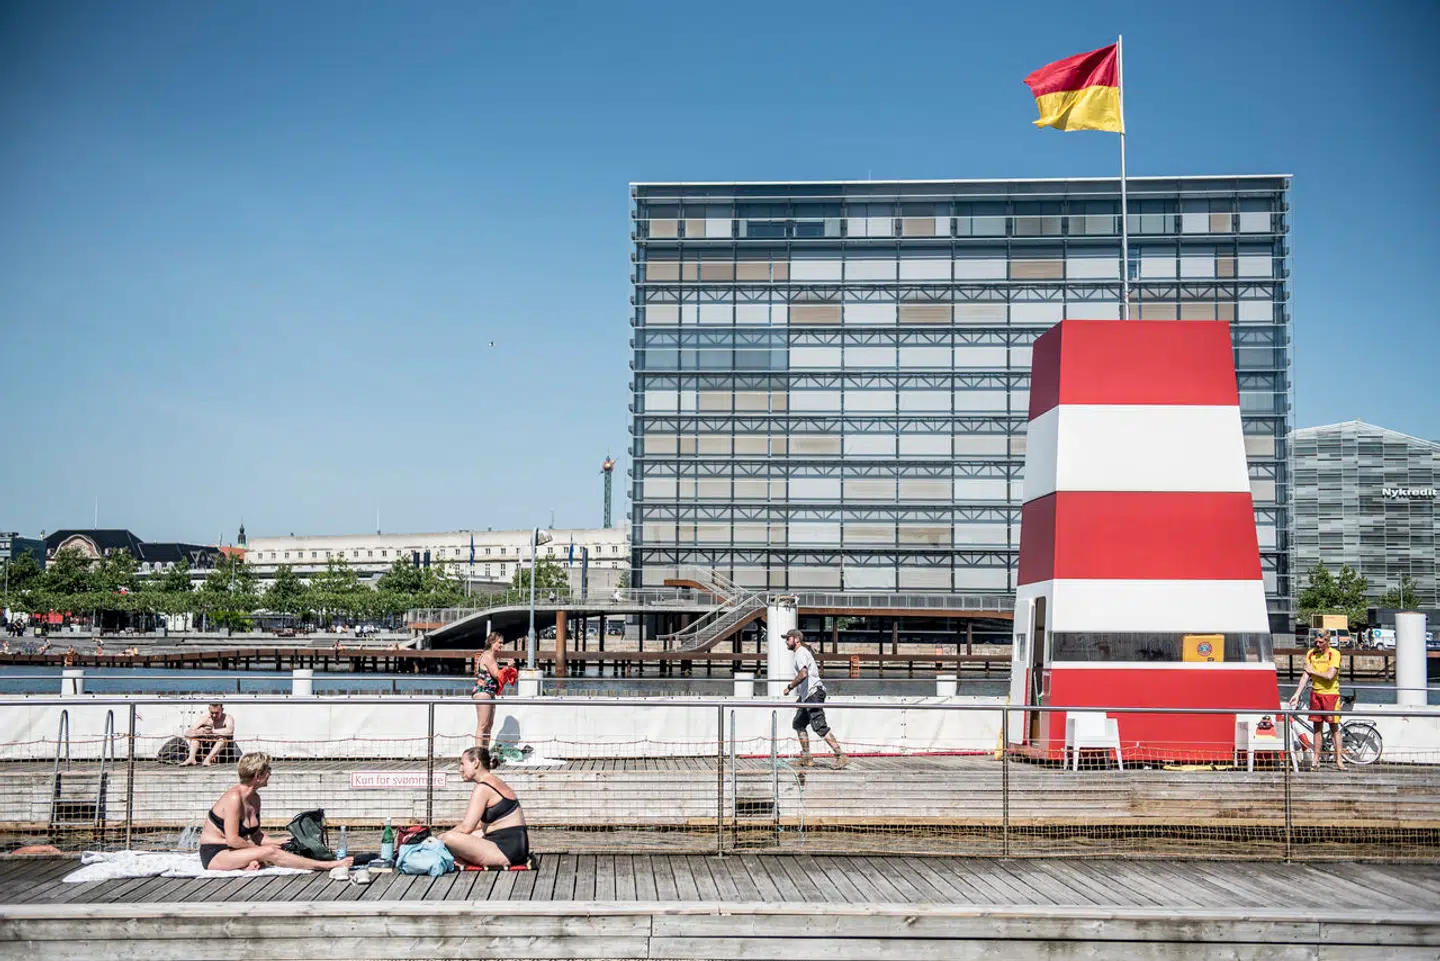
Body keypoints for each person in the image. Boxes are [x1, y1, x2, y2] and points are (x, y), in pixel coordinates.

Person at [197, 752, 352, 871]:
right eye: (268, 770)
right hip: (215, 853)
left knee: (281, 848)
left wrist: (280, 841)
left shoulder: (255, 798)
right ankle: (329, 865)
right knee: (270, 853)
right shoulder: (233, 798)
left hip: (234, 851)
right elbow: (233, 840)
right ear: (258, 776)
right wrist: (264, 850)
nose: (270, 774)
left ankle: (249, 863)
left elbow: (257, 835)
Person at [439, 746, 530, 868]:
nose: (460, 769)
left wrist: (439, 839)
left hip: (506, 851)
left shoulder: (483, 787)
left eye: (463, 764)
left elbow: (466, 827)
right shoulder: (494, 781)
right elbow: (479, 825)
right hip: (517, 848)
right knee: (462, 836)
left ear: (476, 762)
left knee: (448, 838)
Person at [782, 628, 849, 769]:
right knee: (799, 724)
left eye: (788, 638)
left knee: (819, 726)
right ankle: (807, 758)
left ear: (796, 639)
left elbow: (803, 674)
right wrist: (801, 698)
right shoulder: (801, 653)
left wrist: (790, 687)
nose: (786, 641)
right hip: (808, 695)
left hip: (814, 694)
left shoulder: (800, 653)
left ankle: (840, 756)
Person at [1288, 630, 1344, 770]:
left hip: (1331, 694)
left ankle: (1339, 760)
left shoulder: (1334, 654)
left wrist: (1313, 671)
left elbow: (1330, 675)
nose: (1318, 645)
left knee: (1334, 728)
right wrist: (1297, 693)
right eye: (1316, 642)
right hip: (1316, 694)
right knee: (1316, 727)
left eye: (1321, 642)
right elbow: (1305, 676)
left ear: (1327, 641)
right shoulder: (1311, 653)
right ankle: (1315, 759)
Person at [472, 632, 512, 750]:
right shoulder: (488, 656)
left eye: (502, 643)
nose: (501, 645)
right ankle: (479, 754)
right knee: (483, 724)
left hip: (489, 692)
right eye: (499, 642)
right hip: (483, 692)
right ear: (491, 642)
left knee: (489, 725)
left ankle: (484, 751)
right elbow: (497, 675)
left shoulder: (490, 656)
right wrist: (508, 667)